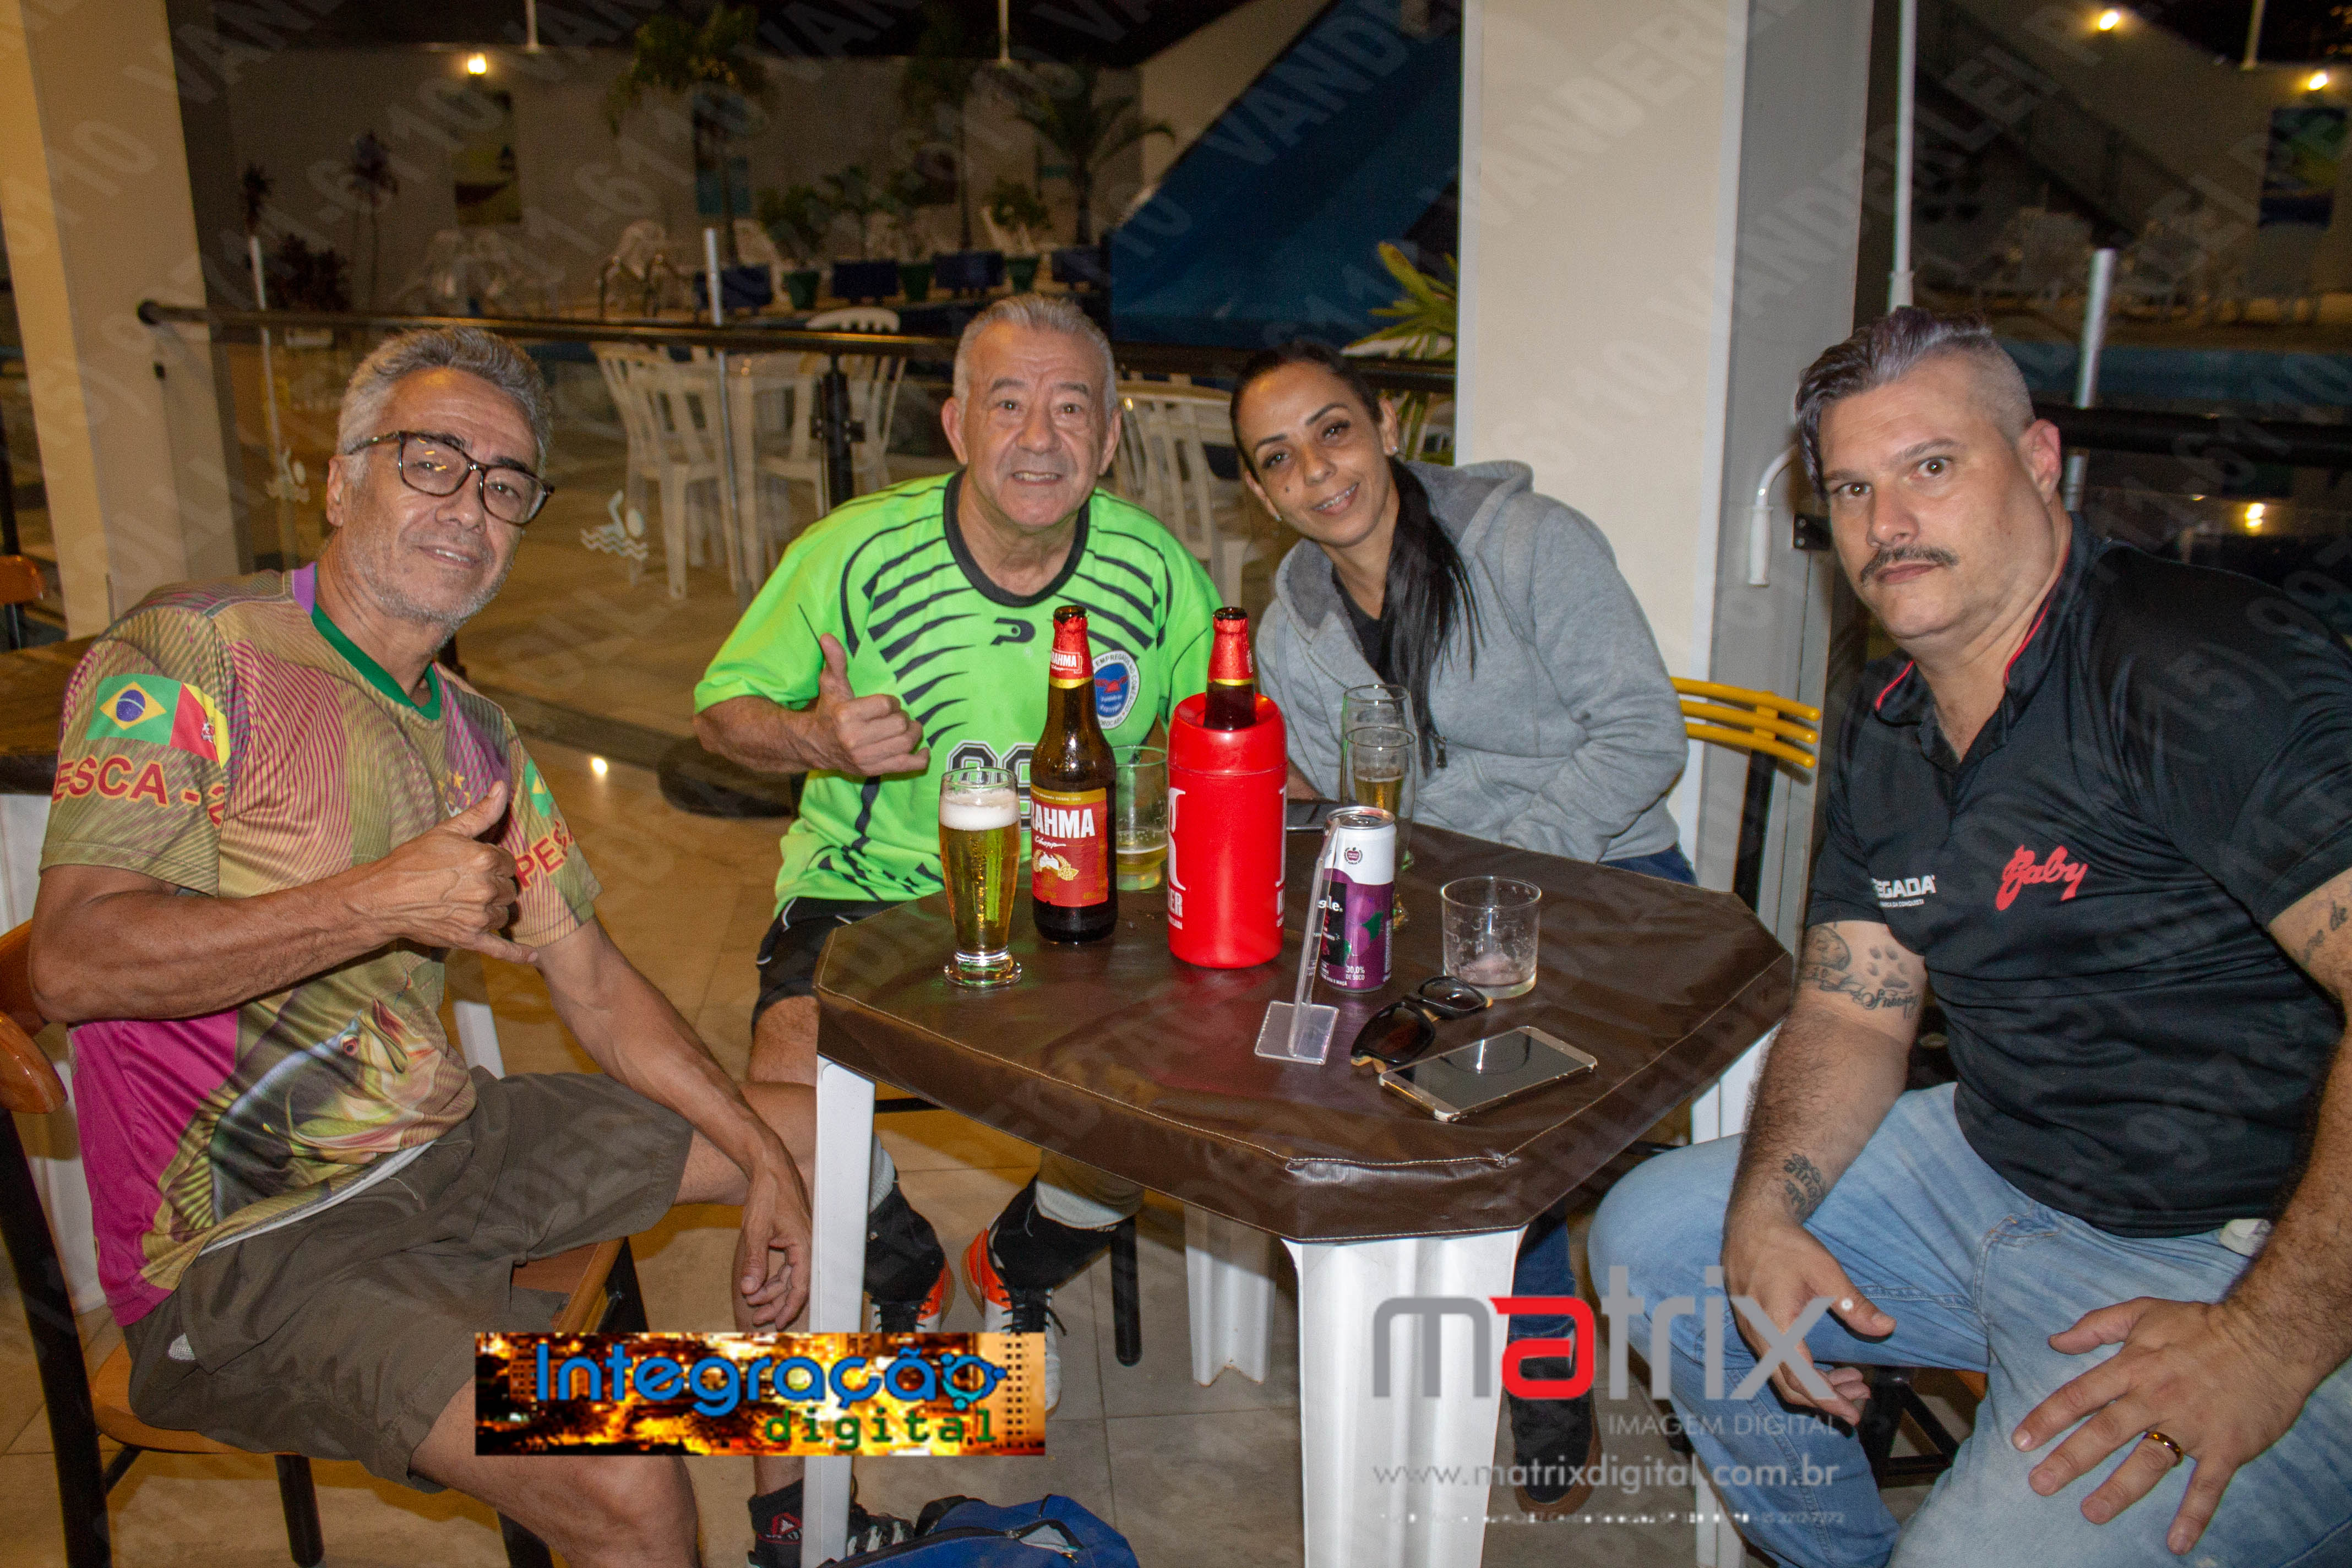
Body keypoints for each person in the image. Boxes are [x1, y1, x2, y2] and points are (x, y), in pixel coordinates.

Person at [23, 327, 896, 1566]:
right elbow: (70, 964)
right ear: (341, 482)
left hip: (447, 1144)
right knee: (627, 1478)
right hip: (244, 1248)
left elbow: (595, 984)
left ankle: (796, 1519)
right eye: (431, 461)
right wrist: (375, 901)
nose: (469, 507)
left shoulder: (475, 733)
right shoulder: (191, 656)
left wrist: (762, 1157)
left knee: (827, 1138)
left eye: (503, 485)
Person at [1589, 308, 2352, 1566]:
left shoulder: (2198, 669)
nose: (1888, 520)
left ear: (2041, 462)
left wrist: (2271, 1339)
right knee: (1659, 1239)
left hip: (2243, 1253)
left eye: (1932, 466)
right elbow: (1854, 1005)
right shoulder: (1886, 706)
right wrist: (1768, 1212)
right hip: (1994, 1163)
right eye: (1853, 486)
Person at [693, 295, 1217, 1496]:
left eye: (1071, 408)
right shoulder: (852, 551)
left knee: (1181, 1096)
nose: (1039, 437)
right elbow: (721, 712)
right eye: (1008, 402)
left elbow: (1208, 737)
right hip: (868, 888)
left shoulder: (1154, 569)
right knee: (786, 1091)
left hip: (1078, 899)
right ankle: (897, 1272)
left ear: (1112, 435)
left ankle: (1012, 1265)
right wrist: (816, 737)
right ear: (956, 423)